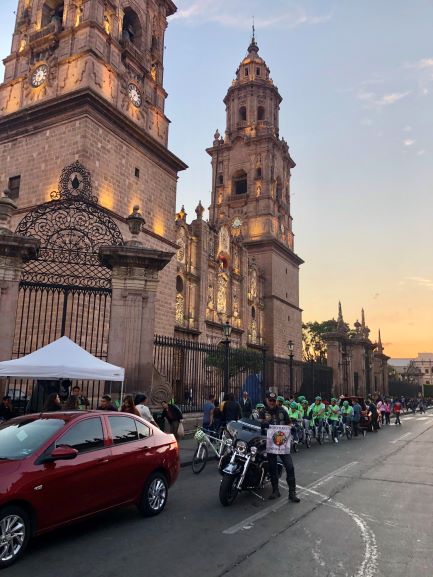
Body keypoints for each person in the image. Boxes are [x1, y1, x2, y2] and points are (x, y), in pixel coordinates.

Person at [259, 392, 300, 503]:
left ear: (276, 400)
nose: (272, 402)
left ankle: (292, 493)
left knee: (290, 467)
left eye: (273, 400)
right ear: (267, 400)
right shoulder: (263, 411)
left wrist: (291, 427)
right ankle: (275, 490)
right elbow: (259, 424)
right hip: (270, 444)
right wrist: (264, 422)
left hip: (282, 444)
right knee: (272, 467)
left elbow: (289, 423)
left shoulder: (282, 411)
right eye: (270, 400)